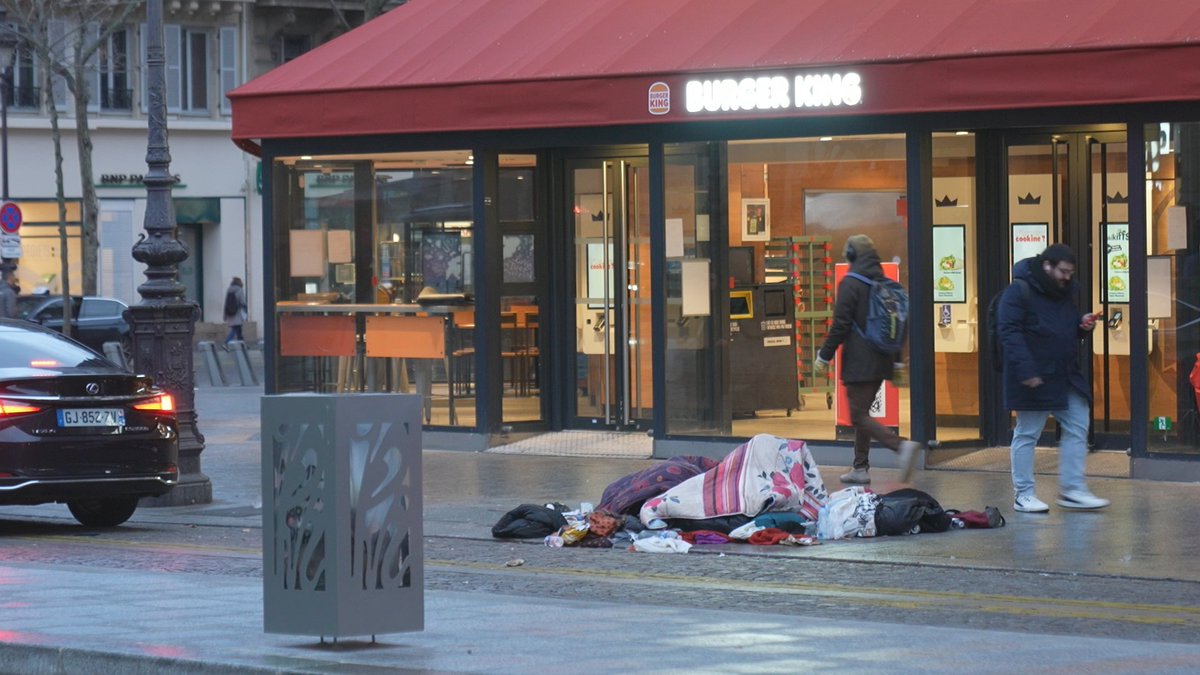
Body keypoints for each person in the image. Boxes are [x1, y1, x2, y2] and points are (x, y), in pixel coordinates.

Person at [997, 243, 1108, 512]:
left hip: (1063, 374)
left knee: (1078, 423)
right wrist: (1027, 372)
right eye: (1063, 271)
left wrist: (1081, 327)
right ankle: (1023, 494)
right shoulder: (1018, 291)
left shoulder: (1063, 293)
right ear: (1047, 266)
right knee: (1027, 433)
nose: (1067, 277)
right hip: (1033, 376)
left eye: (1070, 272)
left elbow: (1063, 329)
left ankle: (1072, 489)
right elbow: (1009, 332)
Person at [814, 234, 920, 485]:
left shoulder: (851, 284)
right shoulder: (883, 282)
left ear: (852, 255)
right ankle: (860, 468)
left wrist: (823, 356)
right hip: (882, 359)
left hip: (860, 363)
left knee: (858, 416)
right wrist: (897, 362)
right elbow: (897, 323)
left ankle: (901, 448)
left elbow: (840, 326)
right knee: (862, 414)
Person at [223, 276, 247, 345]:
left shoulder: (229, 290)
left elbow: (226, 303)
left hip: (230, 313)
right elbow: (242, 301)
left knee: (238, 329)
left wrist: (224, 315)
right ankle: (226, 343)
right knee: (235, 329)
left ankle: (242, 344)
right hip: (237, 312)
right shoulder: (239, 290)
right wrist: (245, 310)